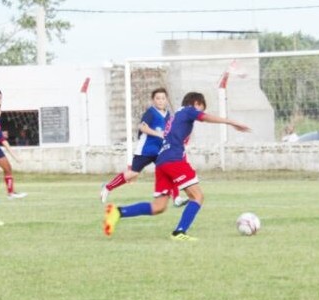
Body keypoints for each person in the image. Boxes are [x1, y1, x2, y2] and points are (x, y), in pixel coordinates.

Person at [103, 92, 251, 241]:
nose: (200, 112)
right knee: (197, 196)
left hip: (162, 162)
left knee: (159, 206)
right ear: (196, 103)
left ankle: (117, 212)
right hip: (174, 160)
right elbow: (205, 117)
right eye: (201, 108)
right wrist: (232, 122)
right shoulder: (188, 110)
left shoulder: (174, 117)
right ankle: (179, 232)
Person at [100, 88, 188, 207]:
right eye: (158, 98)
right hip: (146, 150)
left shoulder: (168, 115)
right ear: (153, 100)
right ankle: (107, 187)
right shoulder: (150, 113)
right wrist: (158, 134)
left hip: (160, 151)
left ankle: (176, 198)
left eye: (163, 98)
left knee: (169, 171)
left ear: (166, 100)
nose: (160, 101)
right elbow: (142, 127)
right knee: (132, 174)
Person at [0, 90, 27, 199]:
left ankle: (10, 193)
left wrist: (15, 156)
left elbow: (2, 139)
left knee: (7, 168)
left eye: (0, 98)